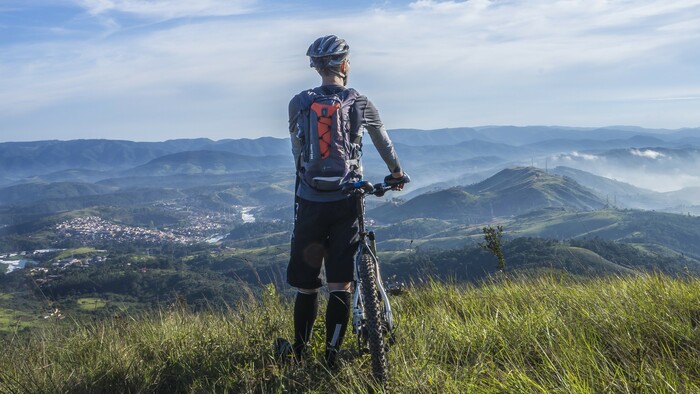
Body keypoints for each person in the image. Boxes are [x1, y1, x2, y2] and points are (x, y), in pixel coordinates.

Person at [276, 35, 407, 370]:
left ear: (316, 67)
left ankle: (300, 353)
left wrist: (307, 183)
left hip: (309, 201)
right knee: (340, 284)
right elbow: (383, 142)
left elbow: (297, 152)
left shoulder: (298, 103)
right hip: (347, 200)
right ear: (345, 64)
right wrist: (396, 173)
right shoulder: (360, 102)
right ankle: (331, 357)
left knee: (306, 287)